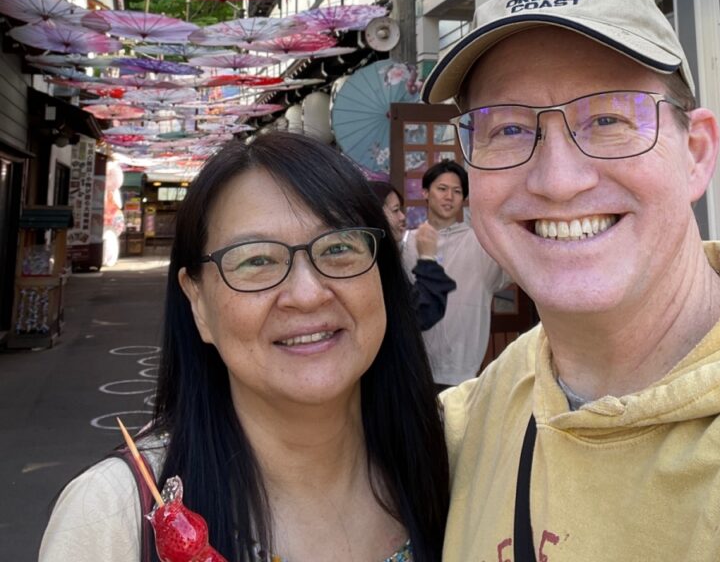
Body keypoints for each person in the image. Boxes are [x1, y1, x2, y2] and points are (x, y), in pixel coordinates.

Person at [421, 0, 720, 562]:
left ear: (697, 153)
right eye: (506, 128)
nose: (559, 181)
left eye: (608, 119)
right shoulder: (470, 422)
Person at [40, 132, 449, 562]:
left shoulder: (458, 462)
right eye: (257, 259)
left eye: (339, 248)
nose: (308, 294)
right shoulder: (112, 516)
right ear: (197, 302)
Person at [401, 160, 508, 391]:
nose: (449, 196)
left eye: (457, 191)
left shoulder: (482, 244)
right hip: (413, 370)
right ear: (425, 193)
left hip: (463, 373)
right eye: (442, 189)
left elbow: (521, 265)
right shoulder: (406, 243)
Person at [368, 180, 456, 331]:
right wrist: (427, 257)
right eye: (395, 210)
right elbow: (419, 314)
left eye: (457, 191)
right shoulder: (371, 263)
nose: (402, 217)